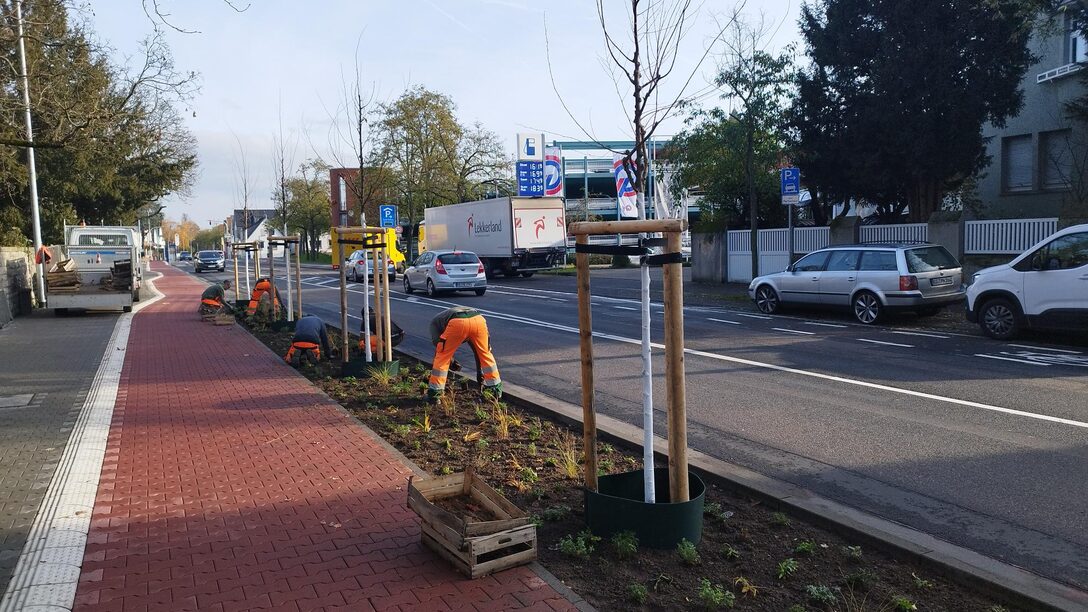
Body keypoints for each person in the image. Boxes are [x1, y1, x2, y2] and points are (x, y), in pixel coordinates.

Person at [428, 306, 501, 400]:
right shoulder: (440, 322)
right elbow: (477, 351)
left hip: (458, 322)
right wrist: (479, 372)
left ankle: (435, 395)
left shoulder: (434, 325)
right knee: (485, 353)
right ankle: (495, 390)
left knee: (442, 356)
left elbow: (440, 349)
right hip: (478, 320)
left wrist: (451, 361)